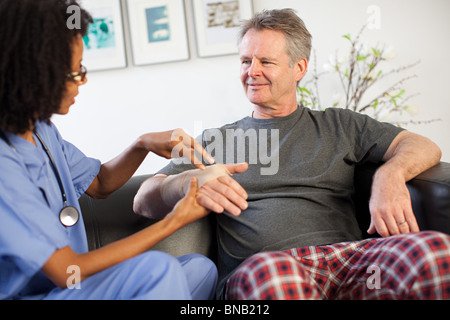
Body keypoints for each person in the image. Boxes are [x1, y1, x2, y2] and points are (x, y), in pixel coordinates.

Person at [134, 8, 450, 300]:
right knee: (274, 278)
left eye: (265, 62)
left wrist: (390, 174)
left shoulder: (339, 124)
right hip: (269, 268)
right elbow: (143, 200)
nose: (251, 72)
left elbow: (423, 146)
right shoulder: (216, 141)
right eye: (246, 61)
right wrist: (186, 182)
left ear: (298, 68)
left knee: (435, 251)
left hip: (349, 260)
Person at [0, 0, 218, 300]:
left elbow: (101, 183)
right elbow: (67, 270)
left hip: (78, 288)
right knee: (160, 271)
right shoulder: (4, 165)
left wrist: (143, 144)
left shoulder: (43, 132)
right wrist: (174, 221)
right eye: (74, 73)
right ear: (35, 74)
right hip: (47, 291)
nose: (83, 80)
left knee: (198, 268)